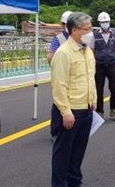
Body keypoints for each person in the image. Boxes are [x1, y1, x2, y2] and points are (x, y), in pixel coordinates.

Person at [50, 12, 97, 187]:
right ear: (75, 30)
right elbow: (59, 85)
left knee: (78, 152)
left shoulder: (87, 51)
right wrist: (66, 112)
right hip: (70, 112)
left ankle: (75, 182)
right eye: (88, 29)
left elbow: (90, 77)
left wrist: (94, 99)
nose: (91, 32)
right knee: (63, 153)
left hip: (86, 109)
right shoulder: (63, 53)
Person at [89, 11, 115, 121]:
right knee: (98, 89)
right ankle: (99, 111)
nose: (105, 23)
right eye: (102, 22)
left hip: (112, 64)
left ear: (109, 21)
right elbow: (91, 49)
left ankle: (113, 110)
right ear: (99, 23)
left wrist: (110, 55)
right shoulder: (94, 34)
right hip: (99, 65)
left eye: (106, 21)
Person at [48, 10, 73, 141]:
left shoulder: (78, 39)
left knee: (70, 101)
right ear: (63, 25)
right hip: (61, 75)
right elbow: (50, 57)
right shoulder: (58, 39)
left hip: (73, 77)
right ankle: (55, 130)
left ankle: (68, 128)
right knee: (58, 102)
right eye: (66, 24)